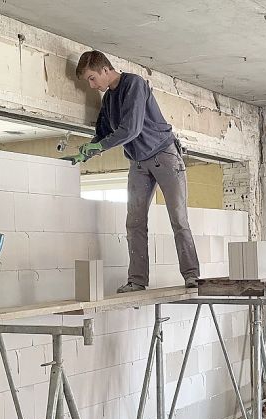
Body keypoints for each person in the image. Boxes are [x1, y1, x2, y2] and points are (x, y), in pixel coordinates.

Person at [72, 50, 200, 292]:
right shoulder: (108, 100)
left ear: (105, 70)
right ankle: (137, 280)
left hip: (164, 155)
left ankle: (192, 276)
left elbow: (131, 129)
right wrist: (87, 150)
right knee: (134, 222)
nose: (91, 85)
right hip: (139, 162)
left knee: (178, 219)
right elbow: (102, 132)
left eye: (91, 78)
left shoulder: (134, 84)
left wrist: (100, 146)